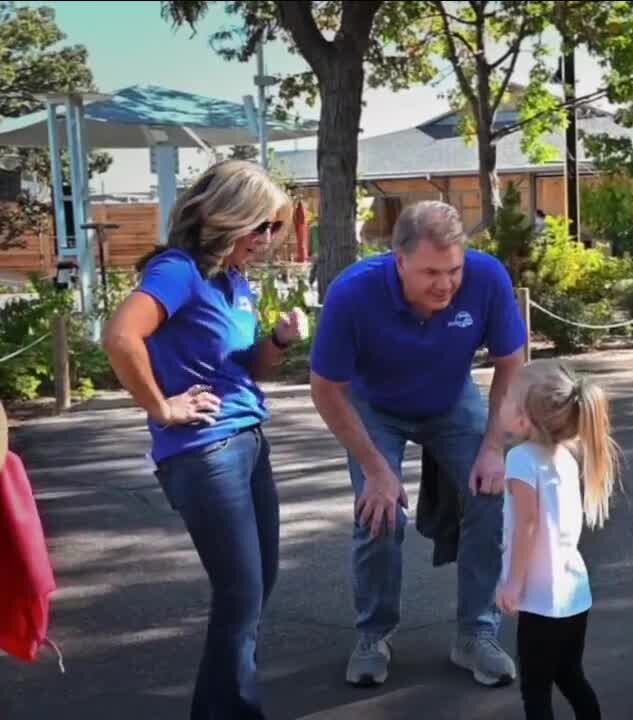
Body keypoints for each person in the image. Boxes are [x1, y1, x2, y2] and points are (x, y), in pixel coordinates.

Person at [102, 160, 307, 719]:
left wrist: (281, 341)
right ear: (227, 216)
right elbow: (120, 336)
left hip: (249, 441)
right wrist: (162, 407)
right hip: (204, 452)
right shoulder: (179, 270)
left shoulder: (231, 281)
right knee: (239, 597)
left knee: (255, 592)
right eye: (261, 226)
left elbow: (244, 369)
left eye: (274, 229)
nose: (267, 240)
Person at [309, 200, 527, 689]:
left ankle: (475, 634)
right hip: (376, 406)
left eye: (453, 270)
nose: (445, 284)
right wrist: (377, 471)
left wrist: (495, 446)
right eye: (430, 271)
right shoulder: (353, 292)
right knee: (379, 512)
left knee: (491, 495)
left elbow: (512, 362)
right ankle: (373, 634)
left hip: (450, 399)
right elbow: (326, 390)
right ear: (397, 258)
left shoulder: (486, 277)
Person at [494, 359, 618, 720]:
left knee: (536, 691)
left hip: (541, 601)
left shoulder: (520, 459)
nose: (498, 403)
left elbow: (526, 525)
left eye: (505, 399)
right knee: (569, 674)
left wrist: (512, 584)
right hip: (574, 595)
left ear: (522, 418)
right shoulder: (563, 455)